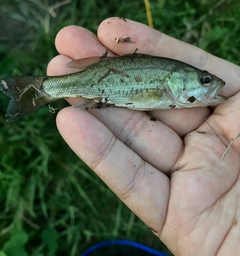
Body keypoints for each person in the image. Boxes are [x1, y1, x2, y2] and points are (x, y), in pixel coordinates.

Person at [47, 17, 240, 256]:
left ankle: (43, 88)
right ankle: (44, 88)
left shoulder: (176, 87)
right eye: (205, 80)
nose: (211, 84)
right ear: (175, 81)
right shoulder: (169, 84)